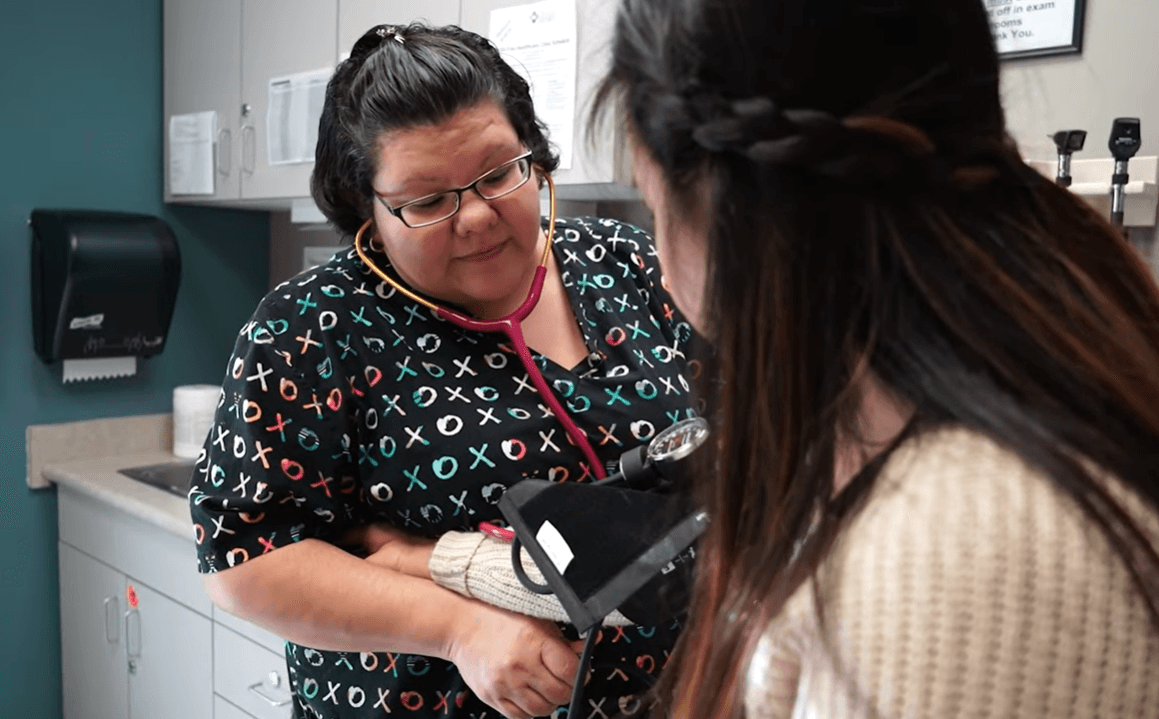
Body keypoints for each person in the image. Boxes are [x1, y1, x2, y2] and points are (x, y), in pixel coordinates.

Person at [589, 0, 1159, 717]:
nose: (663, 271)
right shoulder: (1038, 362)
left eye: (651, 203)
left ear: (731, 216)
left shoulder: (953, 557)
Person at [190, 22, 697, 719]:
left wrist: (421, 555)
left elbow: (728, 453)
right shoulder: (311, 327)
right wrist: (457, 626)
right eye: (427, 201)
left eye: (498, 173)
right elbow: (245, 557)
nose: (478, 217)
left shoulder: (625, 261)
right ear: (366, 212)